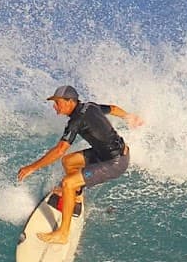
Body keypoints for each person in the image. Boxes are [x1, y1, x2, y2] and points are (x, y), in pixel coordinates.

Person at [17, 85, 143, 244]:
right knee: (69, 162)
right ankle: (76, 196)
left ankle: (62, 234)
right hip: (105, 154)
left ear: (70, 102)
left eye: (58, 102)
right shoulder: (89, 106)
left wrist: (31, 167)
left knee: (67, 183)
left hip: (114, 163)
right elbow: (112, 108)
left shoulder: (76, 121)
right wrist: (130, 117)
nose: (55, 106)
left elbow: (59, 150)